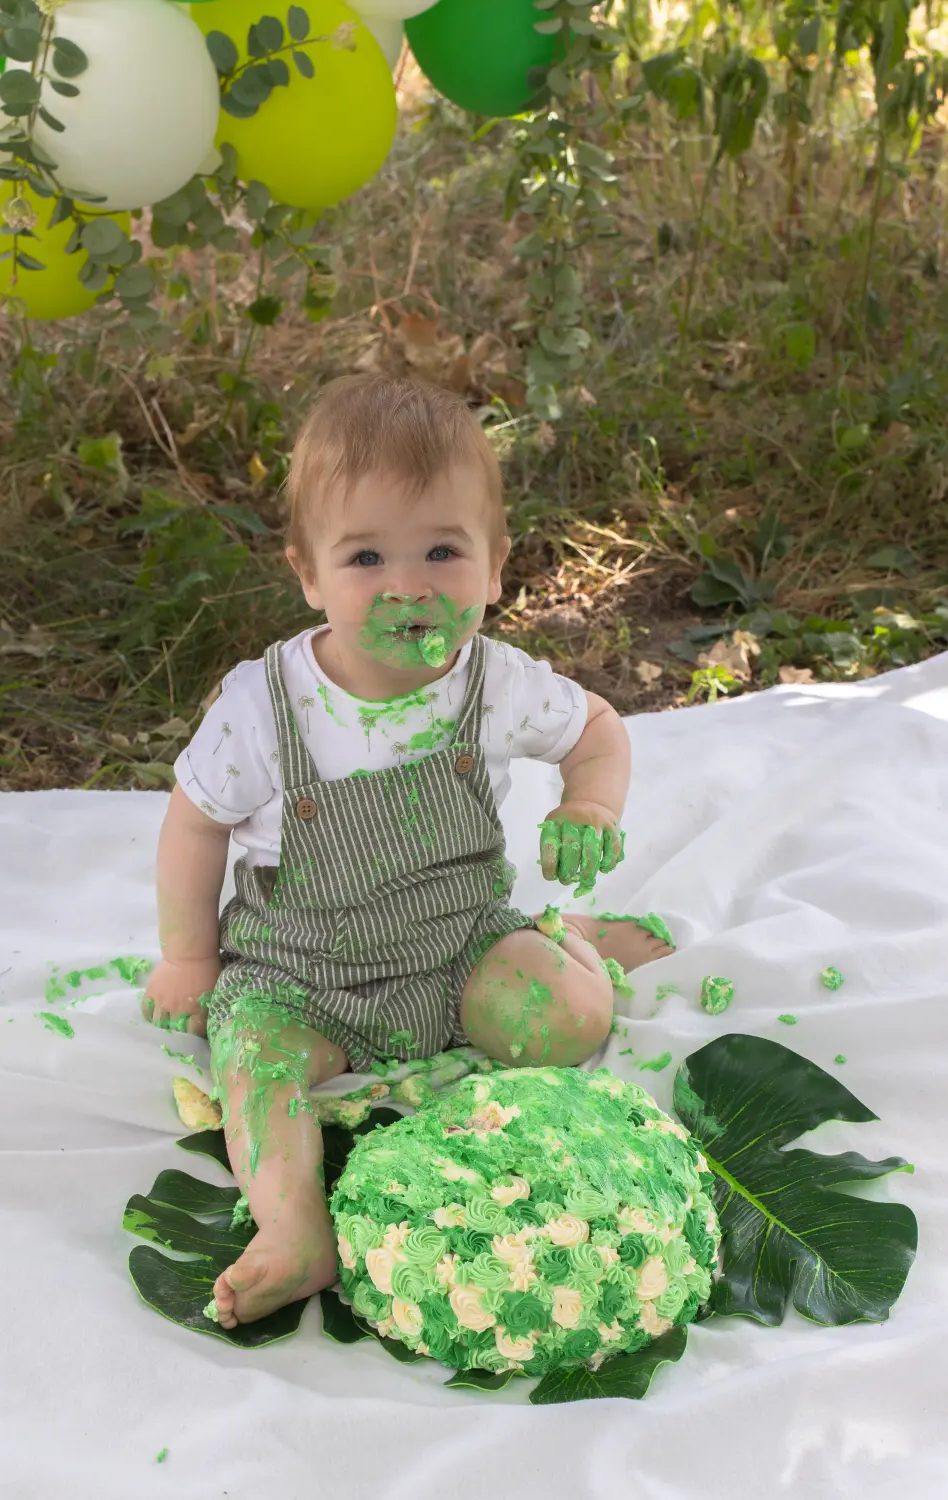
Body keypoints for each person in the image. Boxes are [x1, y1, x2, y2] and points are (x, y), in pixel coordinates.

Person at [142, 374, 671, 1329]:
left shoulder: (494, 682)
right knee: (253, 1075)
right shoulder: (264, 708)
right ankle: (295, 1230)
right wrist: (189, 958)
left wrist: (590, 796)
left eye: (441, 550)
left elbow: (596, 728)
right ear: (308, 574)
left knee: (571, 1021)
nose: (407, 585)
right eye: (365, 556)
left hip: (457, 938)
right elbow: (194, 823)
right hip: (299, 971)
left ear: (496, 565)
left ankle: (573, 939)